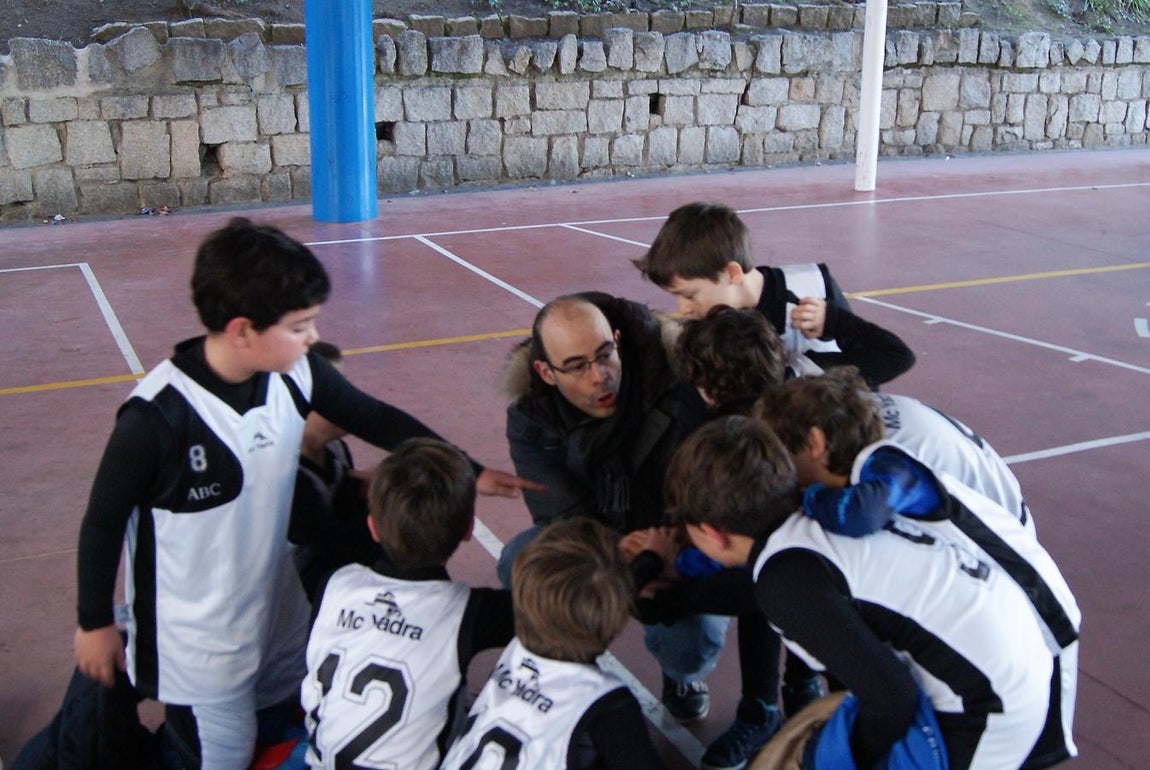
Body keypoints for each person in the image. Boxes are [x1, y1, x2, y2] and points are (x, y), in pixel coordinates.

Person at [72, 218, 536, 770]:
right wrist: (94, 622)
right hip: (197, 645)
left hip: (273, 610)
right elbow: (102, 523)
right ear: (242, 329)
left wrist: (471, 469)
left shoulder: (296, 373)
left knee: (281, 722)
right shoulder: (157, 419)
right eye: (300, 325)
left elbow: (375, 417)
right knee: (221, 755)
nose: (313, 337)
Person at [665, 416, 1078, 770]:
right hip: (1019, 660)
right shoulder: (815, 515)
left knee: (817, 754)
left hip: (991, 707)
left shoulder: (784, 581)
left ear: (711, 534)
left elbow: (891, 700)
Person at [499, 292, 728, 730]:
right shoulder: (530, 418)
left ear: (619, 340)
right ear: (545, 373)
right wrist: (634, 567)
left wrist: (662, 554)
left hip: (671, 537)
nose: (600, 377)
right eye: (577, 366)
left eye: (606, 355)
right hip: (601, 540)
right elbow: (562, 518)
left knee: (690, 644)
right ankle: (570, 666)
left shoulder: (675, 386)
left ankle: (679, 677)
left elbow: (700, 490)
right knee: (519, 562)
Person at [302, 438, 515, 770]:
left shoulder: (334, 583)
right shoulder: (471, 612)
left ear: (372, 527)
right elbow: (552, 607)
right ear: (468, 530)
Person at [440, 518, 663, 769]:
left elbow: (577, 597)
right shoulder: (605, 703)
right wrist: (651, 563)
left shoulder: (516, 650)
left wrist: (646, 565)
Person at [635, 201, 915, 388]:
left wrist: (836, 322)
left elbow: (884, 362)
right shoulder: (706, 329)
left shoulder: (812, 288)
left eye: (690, 295)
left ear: (732, 273)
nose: (683, 308)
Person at [286, 340, 378, 602]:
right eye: (336, 389)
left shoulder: (335, 448)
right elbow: (338, 550)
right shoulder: (288, 480)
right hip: (296, 614)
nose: (349, 397)